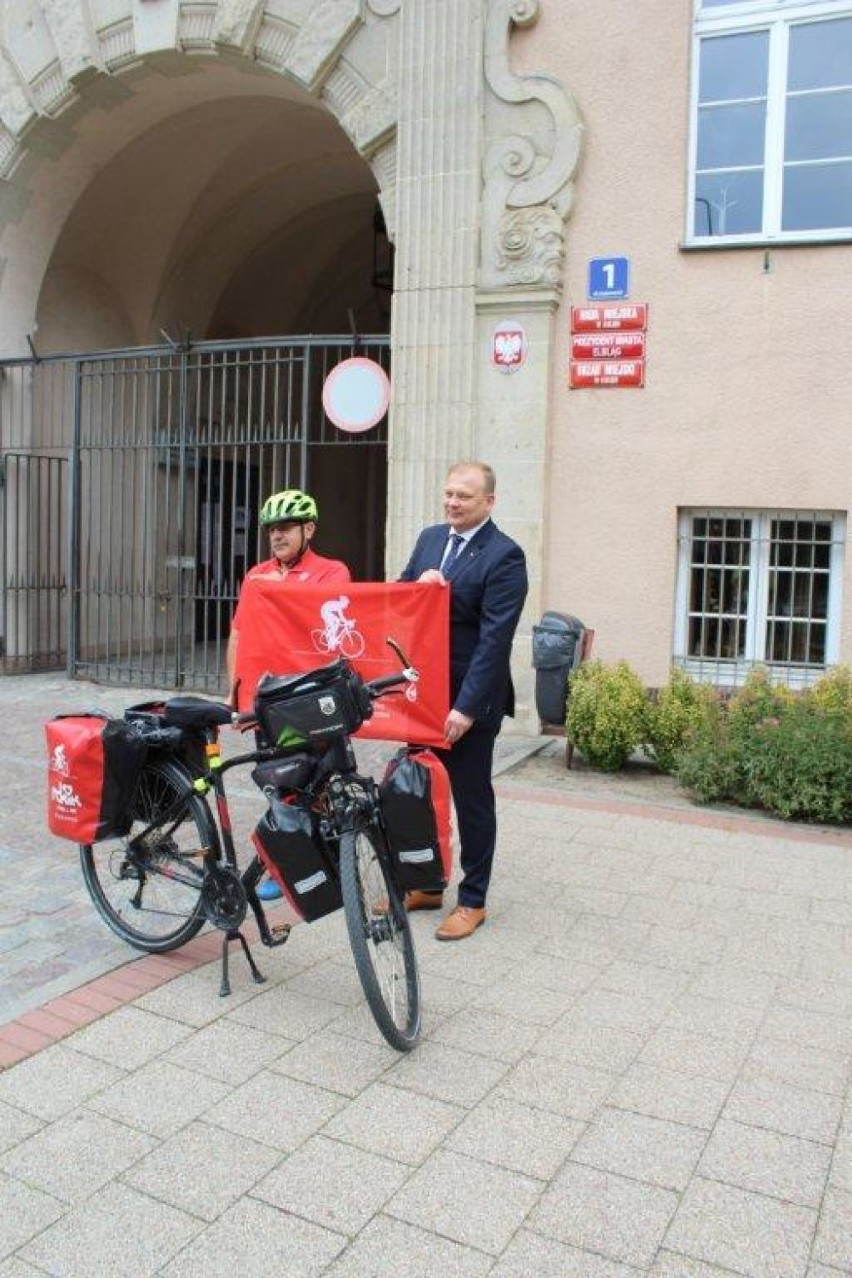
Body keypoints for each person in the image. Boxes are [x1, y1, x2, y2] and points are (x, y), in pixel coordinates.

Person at [399, 460, 528, 940]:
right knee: (415, 793)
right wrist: (419, 587)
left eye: (464, 497)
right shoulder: (431, 538)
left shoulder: (505, 556)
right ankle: (426, 882)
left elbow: (495, 641)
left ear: (488, 502)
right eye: (449, 494)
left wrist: (466, 708)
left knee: (471, 798)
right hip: (423, 694)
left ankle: (473, 899)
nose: (453, 503)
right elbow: (398, 598)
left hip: (468, 703)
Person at [227, 487, 351, 900]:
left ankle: (327, 856)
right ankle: (280, 867)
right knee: (279, 781)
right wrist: (234, 689)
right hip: (269, 698)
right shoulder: (255, 576)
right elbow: (239, 633)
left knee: (320, 778)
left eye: (286, 529)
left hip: (311, 698)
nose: (277, 537)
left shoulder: (332, 572)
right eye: (271, 531)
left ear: (308, 529)